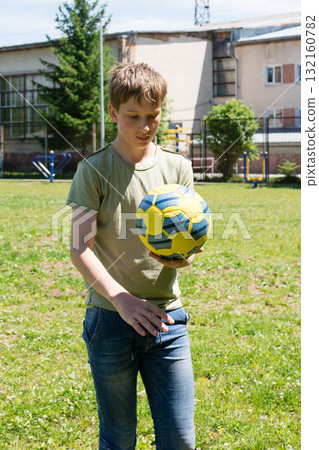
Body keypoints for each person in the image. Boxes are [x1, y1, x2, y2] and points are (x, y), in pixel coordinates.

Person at [67, 62, 198, 450]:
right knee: (119, 440)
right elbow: (78, 248)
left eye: (152, 116)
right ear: (112, 113)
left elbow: (187, 241)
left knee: (179, 439)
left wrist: (183, 258)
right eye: (133, 116)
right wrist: (121, 300)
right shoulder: (93, 170)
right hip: (110, 322)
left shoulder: (179, 167)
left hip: (166, 321)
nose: (144, 126)